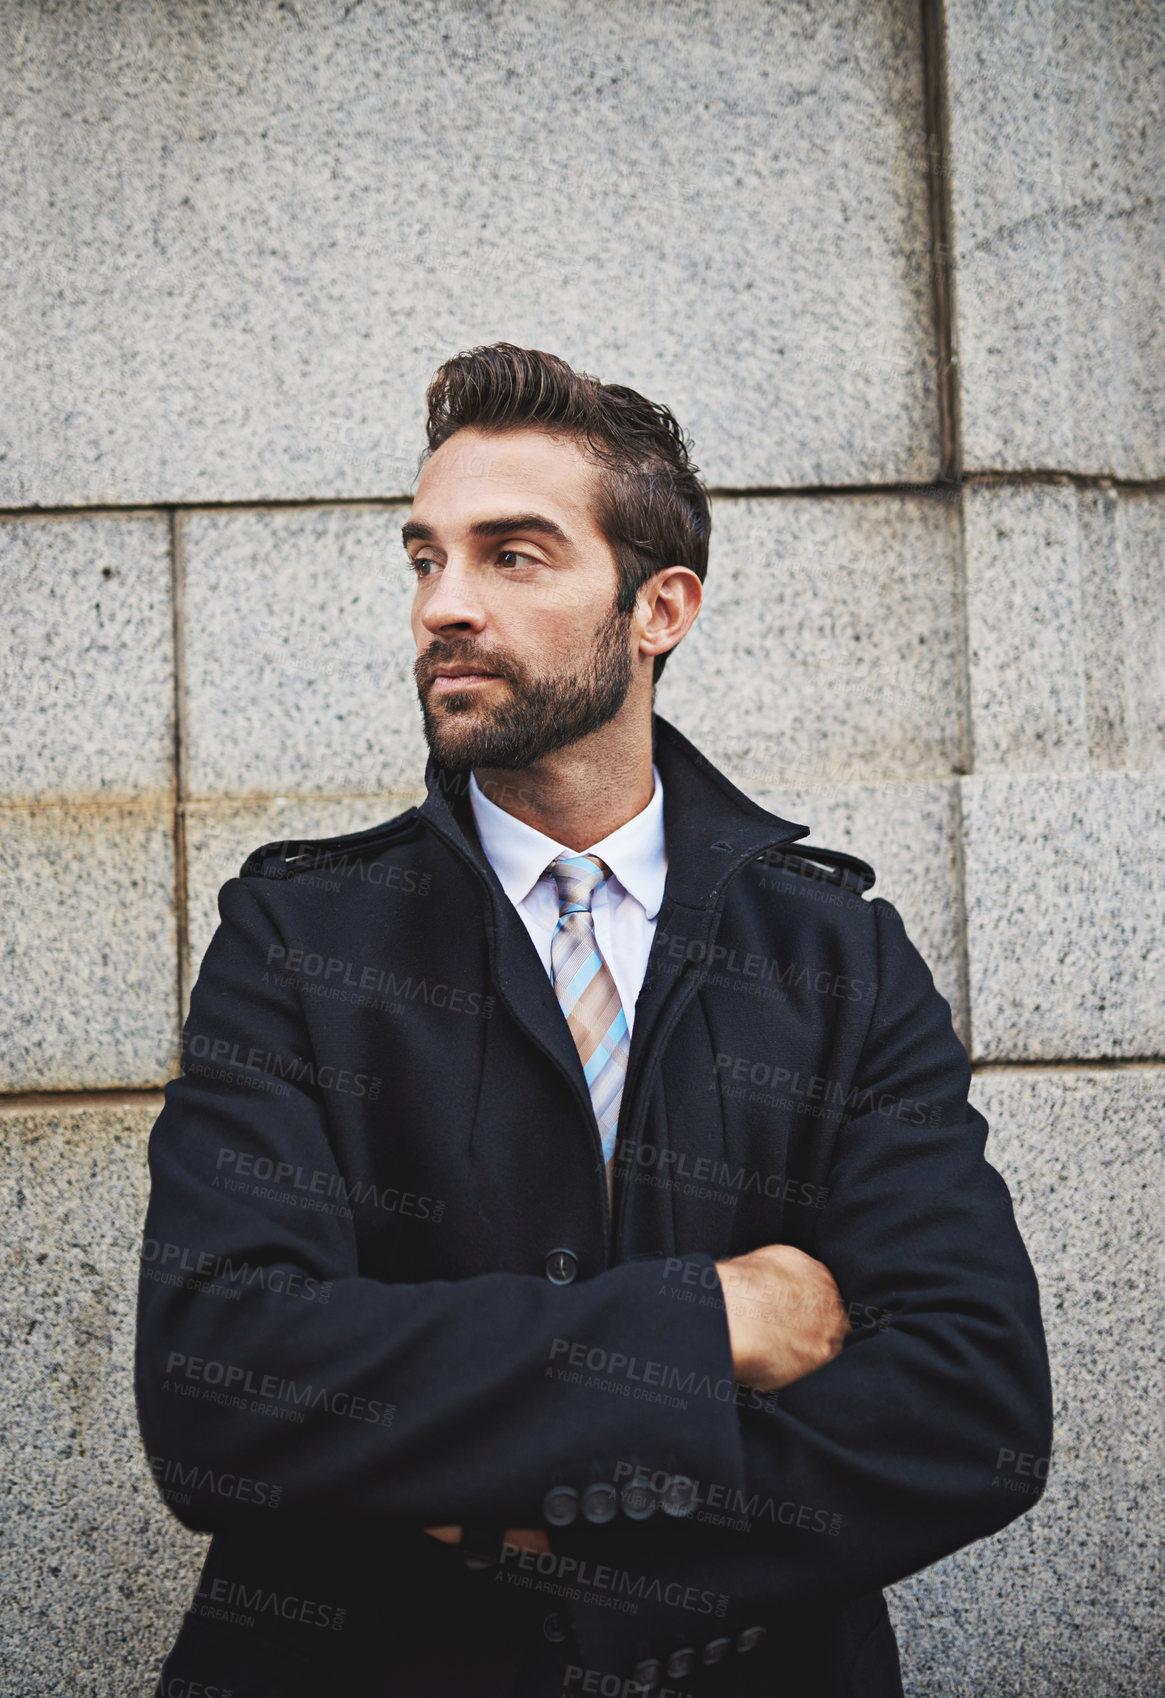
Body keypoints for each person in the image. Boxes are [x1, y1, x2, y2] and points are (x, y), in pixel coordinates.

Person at [136, 344, 1051, 1698]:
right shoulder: (297, 942)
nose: (444, 604)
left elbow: (969, 1407)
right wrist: (709, 1322)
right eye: (424, 557)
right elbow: (223, 1391)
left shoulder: (834, 954)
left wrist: (554, 1547)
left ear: (657, 607)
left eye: (512, 555)